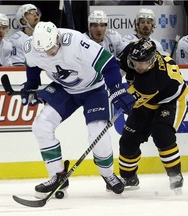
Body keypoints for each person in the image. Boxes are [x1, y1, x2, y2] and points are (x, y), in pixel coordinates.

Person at [20, 21, 135, 197]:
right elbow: (32, 64)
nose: (49, 54)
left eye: (51, 48)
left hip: (94, 89)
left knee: (98, 134)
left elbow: (109, 64)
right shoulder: (31, 47)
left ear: (57, 37)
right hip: (65, 88)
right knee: (41, 126)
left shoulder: (76, 42)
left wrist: (116, 90)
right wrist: (31, 84)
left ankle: (108, 175)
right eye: (44, 51)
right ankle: (57, 176)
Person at [117, 38, 188, 193]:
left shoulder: (153, 79)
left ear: (152, 60)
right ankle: (129, 177)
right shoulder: (132, 52)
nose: (137, 66)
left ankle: (175, 175)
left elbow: (129, 101)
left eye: (142, 63)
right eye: (135, 62)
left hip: (171, 100)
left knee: (162, 133)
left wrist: (116, 103)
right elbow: (116, 65)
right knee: (128, 140)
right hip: (148, 101)